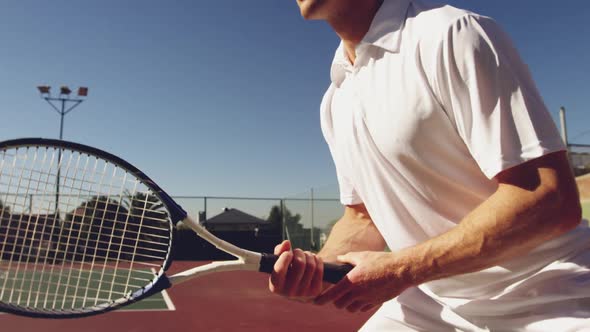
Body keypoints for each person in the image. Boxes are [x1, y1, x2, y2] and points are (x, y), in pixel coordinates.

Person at [269, 0, 590, 330]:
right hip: (430, 306)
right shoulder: (335, 101)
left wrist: (401, 270)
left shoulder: (452, 33)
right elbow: (362, 218)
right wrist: (316, 270)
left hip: (553, 299)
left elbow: (550, 198)